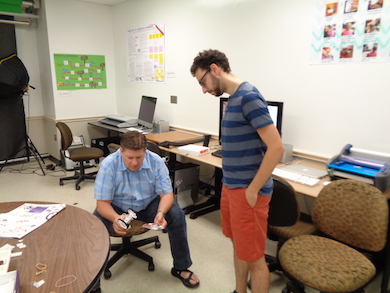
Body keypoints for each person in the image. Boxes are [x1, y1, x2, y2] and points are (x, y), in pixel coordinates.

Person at [190, 50, 284, 293]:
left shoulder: (249, 96)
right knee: (239, 247)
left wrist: (252, 190)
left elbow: (276, 147)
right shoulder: (232, 98)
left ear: (214, 69)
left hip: (247, 192)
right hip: (232, 187)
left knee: (255, 258)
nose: (203, 89)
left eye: (202, 82)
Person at [91, 131, 200, 293]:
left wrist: (161, 212)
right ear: (121, 151)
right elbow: (102, 204)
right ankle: (93, 284)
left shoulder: (155, 161)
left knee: (176, 214)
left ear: (145, 151)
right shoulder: (109, 165)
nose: (135, 163)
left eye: (139, 157)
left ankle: (181, 267)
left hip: (148, 204)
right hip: (117, 207)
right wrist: (115, 218)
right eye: (129, 158)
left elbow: (167, 194)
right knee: (93, 228)